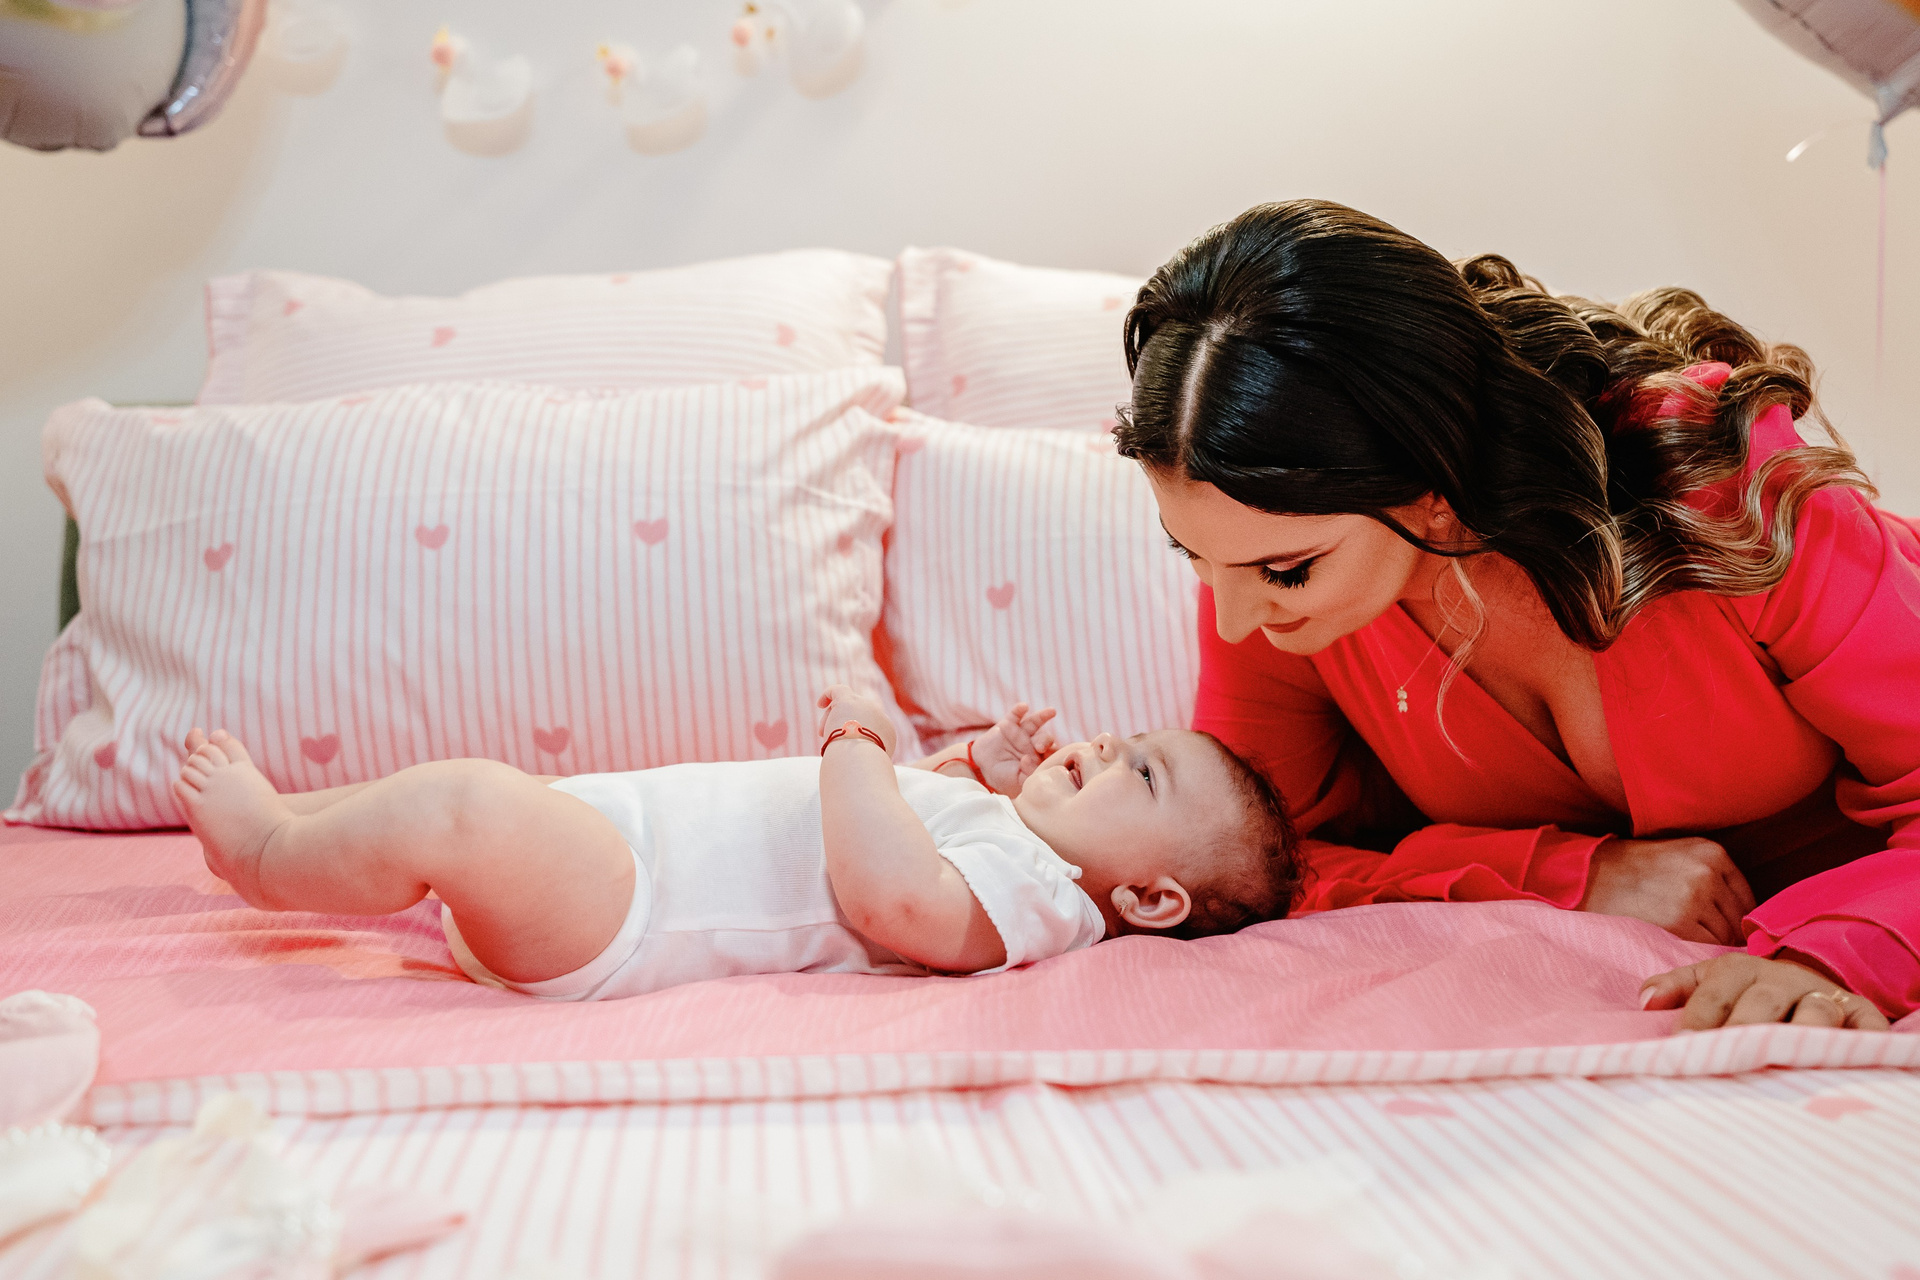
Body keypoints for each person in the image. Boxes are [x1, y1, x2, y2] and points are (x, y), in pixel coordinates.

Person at [1117, 198, 1918, 1032]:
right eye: (1192, 555)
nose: (1233, 620)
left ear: (1433, 488)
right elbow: (1253, 868)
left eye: (1286, 571)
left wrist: (1833, 956)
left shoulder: (1714, 478)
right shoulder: (1264, 582)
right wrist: (1566, 873)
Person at [169, 688, 1297, 999]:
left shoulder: (1047, 899)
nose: (1105, 745)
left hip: (631, 910)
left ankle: (266, 855)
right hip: (624, 838)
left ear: (1149, 900)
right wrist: (976, 771)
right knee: (479, 795)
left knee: (463, 805)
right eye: (1124, 738)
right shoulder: (1016, 844)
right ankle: (306, 815)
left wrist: (859, 740)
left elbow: (896, 898)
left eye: (1142, 772)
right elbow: (926, 827)